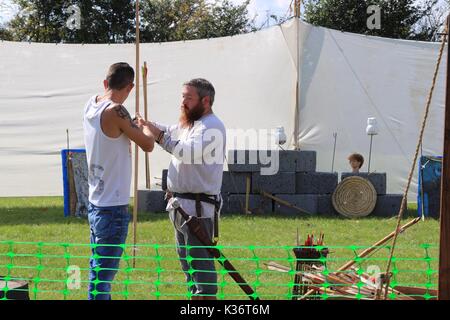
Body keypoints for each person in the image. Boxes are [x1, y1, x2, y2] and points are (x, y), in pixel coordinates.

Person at [139, 78, 226, 300]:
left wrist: (157, 136)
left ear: (205, 101)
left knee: (200, 269)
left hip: (197, 208)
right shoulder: (191, 124)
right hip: (181, 206)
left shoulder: (212, 126)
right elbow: (169, 130)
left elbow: (185, 152)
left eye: (188, 97)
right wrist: (144, 124)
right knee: (189, 267)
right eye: (182, 96)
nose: (183, 102)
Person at [83, 62, 155, 300]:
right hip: (112, 207)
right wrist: (144, 127)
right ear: (131, 87)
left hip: (96, 203)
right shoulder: (117, 112)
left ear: (105, 82)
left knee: (98, 272)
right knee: (102, 280)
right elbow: (147, 145)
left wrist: (130, 125)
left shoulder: (91, 104)